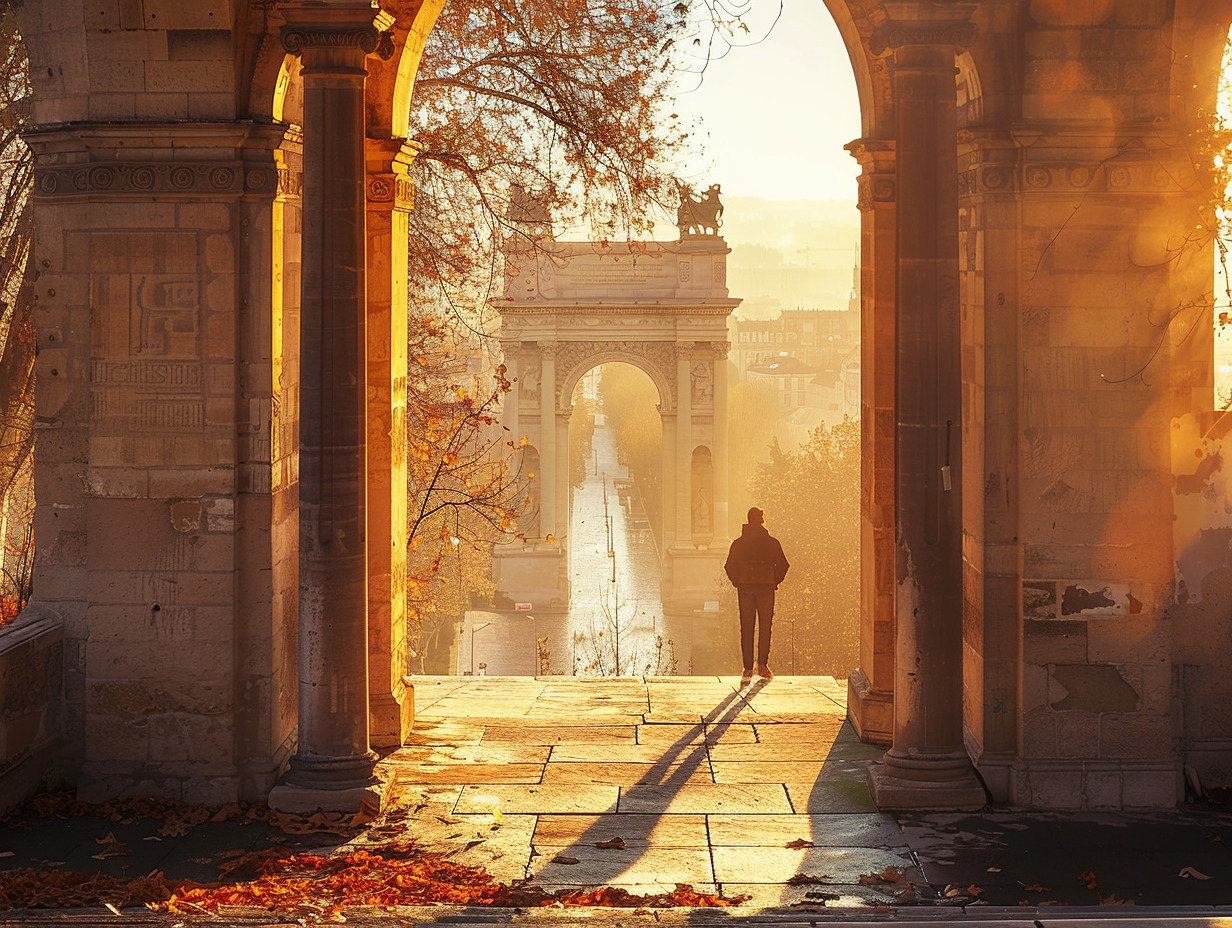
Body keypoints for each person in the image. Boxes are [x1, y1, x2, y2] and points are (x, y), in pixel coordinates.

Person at [724, 507, 789, 684]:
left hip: (745, 588)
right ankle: (762, 665)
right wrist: (774, 581)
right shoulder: (772, 543)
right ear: (761, 521)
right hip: (766, 588)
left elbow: (729, 566)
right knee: (765, 626)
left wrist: (739, 581)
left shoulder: (738, 543)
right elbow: (784, 565)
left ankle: (747, 667)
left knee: (746, 626)